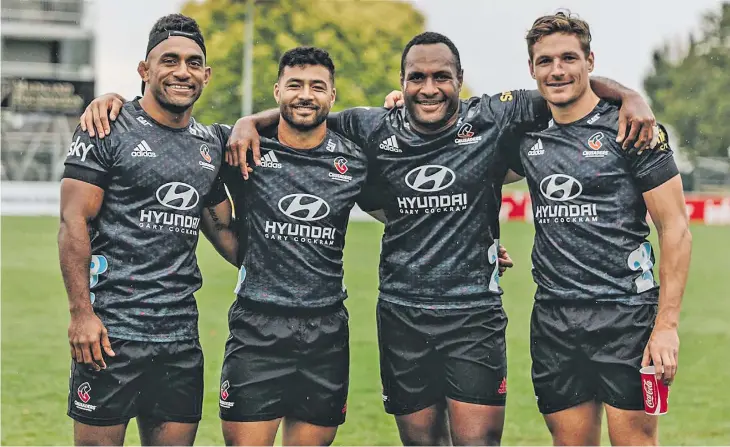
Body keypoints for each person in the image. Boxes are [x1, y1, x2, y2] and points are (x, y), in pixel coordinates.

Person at [223, 32, 658, 446]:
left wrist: (629, 96)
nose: (429, 88)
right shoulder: (372, 127)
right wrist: (248, 121)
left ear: (459, 81)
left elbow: (565, 82)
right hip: (401, 316)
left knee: (478, 440)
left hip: (474, 317)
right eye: (417, 77)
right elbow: (306, 112)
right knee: (421, 441)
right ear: (402, 82)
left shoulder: (492, 116)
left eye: (441, 77)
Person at [506, 12, 690, 446]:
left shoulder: (633, 129)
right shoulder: (527, 134)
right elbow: (466, 174)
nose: (557, 70)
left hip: (626, 317)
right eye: (545, 61)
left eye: (569, 57)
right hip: (554, 319)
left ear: (591, 61)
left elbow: (675, 227)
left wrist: (666, 326)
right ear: (531, 69)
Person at [59, 14, 236, 446]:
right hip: (109, 334)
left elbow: (229, 237)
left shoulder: (210, 145)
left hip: (179, 338)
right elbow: (72, 221)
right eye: (169, 60)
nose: (182, 71)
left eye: (194, 63)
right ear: (145, 70)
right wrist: (82, 314)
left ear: (206, 75)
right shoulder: (106, 128)